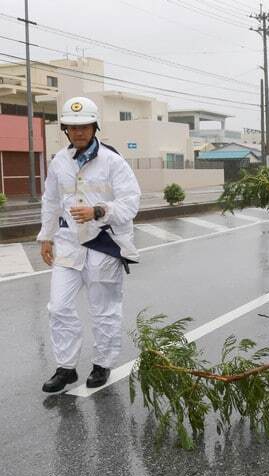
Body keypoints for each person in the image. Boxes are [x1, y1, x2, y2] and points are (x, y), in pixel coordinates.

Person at [38, 96, 141, 393]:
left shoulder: (113, 162)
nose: (79, 132)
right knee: (58, 307)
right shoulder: (59, 161)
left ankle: (101, 364)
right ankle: (66, 368)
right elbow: (51, 201)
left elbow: (131, 202)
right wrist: (45, 236)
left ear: (95, 126)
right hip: (69, 245)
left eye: (84, 126)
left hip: (104, 245)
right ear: (65, 129)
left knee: (104, 310)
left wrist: (98, 211)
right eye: (72, 127)